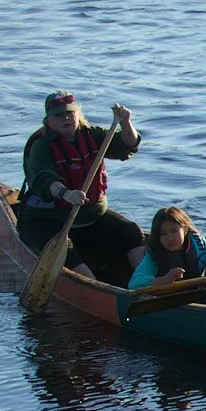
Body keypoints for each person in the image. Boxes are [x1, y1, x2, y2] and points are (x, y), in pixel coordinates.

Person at [17, 91, 146, 287]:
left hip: (90, 217)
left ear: (78, 114)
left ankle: (146, 282)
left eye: (70, 113)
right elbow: (43, 179)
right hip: (48, 219)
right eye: (59, 115)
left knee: (131, 233)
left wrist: (126, 122)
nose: (67, 118)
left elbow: (127, 145)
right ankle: (95, 289)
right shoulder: (41, 146)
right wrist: (66, 194)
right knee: (65, 252)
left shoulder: (92, 135)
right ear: (48, 120)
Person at [127, 207, 206, 291]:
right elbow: (134, 284)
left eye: (174, 231)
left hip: (197, 294)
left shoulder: (200, 245)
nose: (169, 238)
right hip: (166, 299)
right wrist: (164, 280)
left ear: (184, 229)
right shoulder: (154, 255)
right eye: (163, 234)